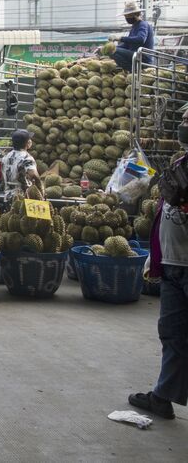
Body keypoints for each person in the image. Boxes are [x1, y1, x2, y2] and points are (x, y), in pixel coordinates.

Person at [129, 106, 188, 420]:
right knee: (172, 333)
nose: (182, 127)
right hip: (173, 263)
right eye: (182, 121)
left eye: (187, 122)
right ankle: (163, 396)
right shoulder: (179, 163)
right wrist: (156, 255)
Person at [111, 0, 155, 72]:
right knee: (112, 50)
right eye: (126, 16)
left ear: (135, 15)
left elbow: (141, 39)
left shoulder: (143, 24)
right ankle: (131, 70)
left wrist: (120, 38)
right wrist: (109, 47)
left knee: (113, 51)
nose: (126, 18)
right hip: (135, 55)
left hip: (143, 57)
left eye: (128, 16)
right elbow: (127, 45)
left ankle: (133, 70)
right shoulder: (134, 27)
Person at [1, 129, 41, 201]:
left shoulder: (5, 157)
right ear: (28, 143)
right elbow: (34, 176)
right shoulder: (27, 158)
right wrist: (41, 192)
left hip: (8, 197)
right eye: (29, 139)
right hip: (23, 198)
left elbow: (3, 178)